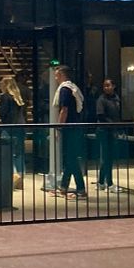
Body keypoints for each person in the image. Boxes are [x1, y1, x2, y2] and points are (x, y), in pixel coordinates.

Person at [52, 65, 87, 198]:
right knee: (70, 157)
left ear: (61, 75)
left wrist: (59, 127)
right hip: (76, 126)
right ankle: (63, 187)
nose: (55, 78)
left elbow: (64, 109)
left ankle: (81, 189)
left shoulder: (64, 89)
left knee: (71, 158)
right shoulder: (74, 88)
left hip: (69, 127)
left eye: (56, 75)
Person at [0, 76, 26, 189]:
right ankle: (21, 177)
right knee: (19, 153)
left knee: (8, 153)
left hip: (9, 127)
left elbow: (3, 112)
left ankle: (14, 176)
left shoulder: (5, 97)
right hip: (20, 126)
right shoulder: (18, 97)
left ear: (5, 85)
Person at [95, 77, 121, 191]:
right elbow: (101, 115)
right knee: (106, 157)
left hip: (112, 130)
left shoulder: (116, 98)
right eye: (105, 85)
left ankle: (101, 182)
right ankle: (109, 183)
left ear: (113, 86)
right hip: (104, 130)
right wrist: (111, 124)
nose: (106, 87)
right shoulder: (101, 100)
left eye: (108, 85)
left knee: (109, 157)